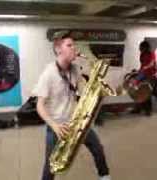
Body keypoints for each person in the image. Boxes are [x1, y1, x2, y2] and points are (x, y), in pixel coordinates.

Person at [34, 31, 111, 180]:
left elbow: (83, 89)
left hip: (76, 121)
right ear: (58, 49)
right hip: (57, 126)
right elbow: (40, 106)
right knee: (51, 164)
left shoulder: (75, 69)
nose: (74, 49)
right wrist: (55, 126)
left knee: (98, 149)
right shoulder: (49, 73)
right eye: (69, 45)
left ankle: (105, 177)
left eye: (73, 45)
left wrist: (94, 79)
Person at [131, 41, 157, 116]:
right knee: (138, 91)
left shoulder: (151, 53)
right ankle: (138, 108)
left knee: (146, 92)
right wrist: (137, 72)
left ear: (145, 47)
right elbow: (142, 65)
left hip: (151, 75)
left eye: (140, 47)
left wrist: (146, 67)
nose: (139, 48)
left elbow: (152, 63)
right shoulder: (142, 54)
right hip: (143, 74)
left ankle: (148, 110)